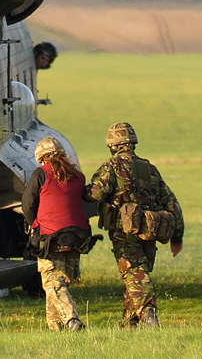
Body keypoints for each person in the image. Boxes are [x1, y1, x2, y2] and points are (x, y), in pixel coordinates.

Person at [84, 122, 184, 328]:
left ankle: (148, 315)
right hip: (150, 229)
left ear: (113, 145)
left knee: (134, 272)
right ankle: (129, 324)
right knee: (137, 273)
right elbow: (172, 203)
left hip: (125, 230)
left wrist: (79, 190)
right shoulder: (150, 169)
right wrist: (177, 237)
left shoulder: (112, 166)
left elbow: (95, 194)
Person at [21, 137, 101, 331]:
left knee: (53, 283)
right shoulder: (79, 176)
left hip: (52, 237)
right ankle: (56, 327)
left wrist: (35, 224)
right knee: (58, 283)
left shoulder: (41, 173)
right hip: (77, 237)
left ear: (42, 158)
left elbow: (27, 204)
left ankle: (71, 319)